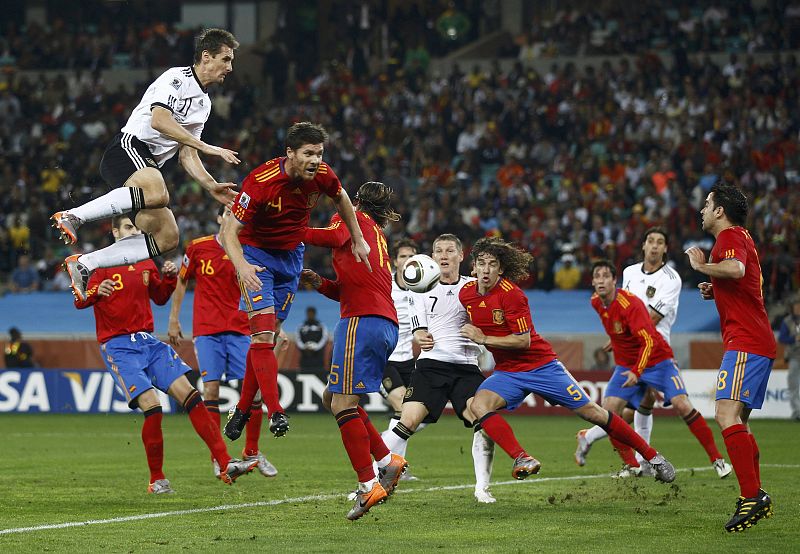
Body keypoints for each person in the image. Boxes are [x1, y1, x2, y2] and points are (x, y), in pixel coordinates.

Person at [459, 237, 676, 484]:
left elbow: (523, 341)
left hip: (541, 366)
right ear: (473, 266)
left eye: (493, 264)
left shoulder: (512, 295)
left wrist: (483, 337)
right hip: (508, 372)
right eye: (482, 263)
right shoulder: (466, 294)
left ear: (501, 268)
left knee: (594, 414)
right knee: (479, 406)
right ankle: (522, 458)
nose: (486, 269)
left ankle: (653, 457)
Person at [54, 28, 241, 302]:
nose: (230, 67)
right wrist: (209, 147)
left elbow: (187, 154)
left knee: (168, 237)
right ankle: (73, 216)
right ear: (206, 56)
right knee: (158, 193)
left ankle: (85, 264)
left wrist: (211, 186)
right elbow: (159, 121)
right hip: (128, 148)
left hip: (146, 166)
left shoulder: (204, 104)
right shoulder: (176, 78)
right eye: (225, 59)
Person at [73, 216, 257, 493]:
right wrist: (97, 291)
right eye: (126, 227)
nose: (133, 231)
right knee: (153, 406)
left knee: (192, 395)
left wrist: (169, 278)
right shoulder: (98, 263)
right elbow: (79, 299)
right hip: (119, 345)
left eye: (135, 227)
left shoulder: (146, 262)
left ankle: (224, 463)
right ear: (113, 231)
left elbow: (159, 297)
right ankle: (156, 478)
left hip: (149, 342)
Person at [221, 122, 372, 442]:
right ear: (289, 153)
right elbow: (228, 232)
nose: (315, 159)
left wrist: (358, 238)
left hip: (290, 260)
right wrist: (242, 265)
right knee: (262, 335)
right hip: (256, 258)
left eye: (319, 153)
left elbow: (343, 197)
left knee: (268, 336)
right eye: (308, 153)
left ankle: (243, 407)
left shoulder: (323, 174)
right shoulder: (260, 183)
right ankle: (276, 410)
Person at [300, 181, 407, 521]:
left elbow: (331, 237)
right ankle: (389, 461)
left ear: (355, 200)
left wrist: (290, 230)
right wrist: (321, 284)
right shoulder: (375, 232)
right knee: (332, 400)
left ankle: (367, 483)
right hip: (379, 321)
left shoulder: (353, 218)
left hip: (362, 322)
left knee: (343, 403)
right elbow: (351, 287)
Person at [686, 181, 777, 532]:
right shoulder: (743, 237)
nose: (703, 210)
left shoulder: (727, 238)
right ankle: (754, 494)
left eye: (707, 204)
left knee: (725, 412)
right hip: (756, 340)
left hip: (746, 342)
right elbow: (753, 279)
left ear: (720, 211)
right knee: (739, 418)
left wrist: (703, 268)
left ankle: (752, 496)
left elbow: (737, 271)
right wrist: (718, 290)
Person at [381, 233, 498, 503]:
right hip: (431, 366)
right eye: (438, 251)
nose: (443, 255)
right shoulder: (419, 288)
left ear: (460, 256)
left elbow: (489, 320)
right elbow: (419, 330)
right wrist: (419, 335)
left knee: (483, 422)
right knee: (406, 422)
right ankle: (373, 481)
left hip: (466, 367)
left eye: (449, 250)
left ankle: (482, 488)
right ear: (432, 258)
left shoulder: (473, 287)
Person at [588, 259, 731, 479]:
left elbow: (648, 329)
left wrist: (636, 368)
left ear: (614, 280)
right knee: (613, 411)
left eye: (605, 276)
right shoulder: (607, 293)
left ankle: (717, 459)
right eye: (597, 276)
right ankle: (634, 465)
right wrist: (618, 341)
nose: (601, 280)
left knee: (681, 405)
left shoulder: (668, 281)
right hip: (630, 360)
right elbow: (617, 323)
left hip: (657, 356)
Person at [167, 206, 277, 479]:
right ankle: (219, 458)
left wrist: (275, 323)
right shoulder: (197, 247)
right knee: (211, 390)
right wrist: (173, 319)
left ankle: (252, 451)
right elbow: (181, 282)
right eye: (227, 212)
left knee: (255, 392)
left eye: (236, 213)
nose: (231, 216)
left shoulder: (247, 250)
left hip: (242, 328)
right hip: (207, 329)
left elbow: (263, 285)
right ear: (218, 217)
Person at [576, 227, 681, 473]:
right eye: (650, 241)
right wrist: (620, 335)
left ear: (665, 248)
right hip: (633, 353)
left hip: (656, 349)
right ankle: (638, 462)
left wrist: (625, 332)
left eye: (660, 242)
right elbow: (618, 309)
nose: (654, 246)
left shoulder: (671, 278)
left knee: (636, 409)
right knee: (627, 411)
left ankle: (622, 453)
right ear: (643, 245)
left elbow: (649, 316)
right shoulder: (629, 273)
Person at [379, 237, 419, 481]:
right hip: (386, 358)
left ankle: (393, 462)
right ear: (395, 261)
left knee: (411, 414)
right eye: (402, 257)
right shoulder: (386, 285)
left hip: (409, 360)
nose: (407, 261)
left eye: (411, 256)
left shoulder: (422, 287)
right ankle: (386, 461)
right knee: (403, 406)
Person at [778, 298, 800, 421]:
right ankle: (797, 413)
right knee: (793, 386)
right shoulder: (787, 321)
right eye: (796, 307)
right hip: (794, 356)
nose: (798, 309)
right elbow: (782, 338)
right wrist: (794, 339)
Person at [295, 306, 329, 372]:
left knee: (319, 373)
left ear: (314, 314)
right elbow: (298, 339)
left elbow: (324, 339)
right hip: (305, 357)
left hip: (318, 357)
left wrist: (316, 347)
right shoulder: (301, 327)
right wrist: (304, 347)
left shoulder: (321, 326)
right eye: (308, 313)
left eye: (311, 313)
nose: (310, 315)